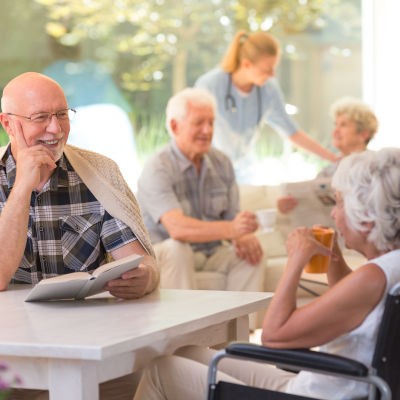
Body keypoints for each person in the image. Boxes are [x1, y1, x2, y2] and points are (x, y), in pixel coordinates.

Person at [133, 147, 400, 400]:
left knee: (161, 369)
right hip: (319, 384)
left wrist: (295, 259)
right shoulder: (388, 268)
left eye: (339, 204)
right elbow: (354, 304)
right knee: (186, 352)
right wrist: (333, 258)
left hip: (311, 395)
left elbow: (273, 336)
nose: (333, 213)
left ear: (365, 218)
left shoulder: (373, 277)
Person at [0, 72, 159, 400]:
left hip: (90, 348)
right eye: (41, 117)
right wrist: (21, 190)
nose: (56, 129)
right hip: (12, 357)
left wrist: (145, 278)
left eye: (61, 114)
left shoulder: (99, 173)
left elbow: (141, 262)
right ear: (8, 124)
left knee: (156, 376)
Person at [136, 87, 264, 296]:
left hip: (211, 252)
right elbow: (178, 229)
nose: (208, 130)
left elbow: (233, 220)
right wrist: (233, 230)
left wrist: (243, 234)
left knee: (252, 254)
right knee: (179, 249)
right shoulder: (157, 168)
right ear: (175, 126)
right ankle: (184, 328)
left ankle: (243, 327)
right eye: (199, 123)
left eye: (211, 122)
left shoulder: (222, 163)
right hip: (168, 252)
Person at [195, 30, 338, 182]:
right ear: (246, 64)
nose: (272, 74)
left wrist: (332, 158)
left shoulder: (268, 90)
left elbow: (291, 131)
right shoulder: (210, 86)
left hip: (244, 173)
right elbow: (193, 132)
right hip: (210, 172)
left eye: (273, 68)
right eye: (267, 69)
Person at [278, 96, 378, 213]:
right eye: (335, 124)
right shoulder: (328, 171)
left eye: (343, 125)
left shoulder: (377, 166)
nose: (335, 130)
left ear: (364, 134)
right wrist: (287, 205)